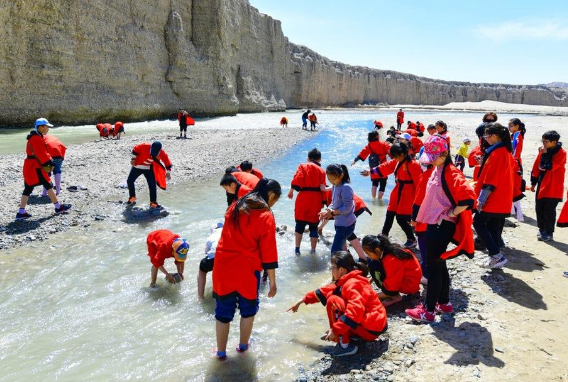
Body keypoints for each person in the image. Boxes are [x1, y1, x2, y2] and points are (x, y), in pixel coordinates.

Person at [405, 135, 476, 323]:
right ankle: (444, 303)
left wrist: (452, 212)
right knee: (439, 264)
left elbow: (468, 199)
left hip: (440, 226)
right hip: (434, 225)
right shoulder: (439, 168)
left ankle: (428, 312)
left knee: (433, 267)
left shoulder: (451, 172)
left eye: (434, 156)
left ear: (444, 153)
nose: (431, 160)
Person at [213, 179, 281, 360]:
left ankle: (220, 353)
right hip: (247, 269)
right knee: (248, 310)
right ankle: (243, 347)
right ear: (271, 195)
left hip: (223, 266)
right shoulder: (266, 216)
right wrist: (273, 281)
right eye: (275, 200)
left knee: (222, 312)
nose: (273, 204)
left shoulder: (234, 207)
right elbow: (268, 250)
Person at [287, 252, 387, 357]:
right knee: (332, 295)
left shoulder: (352, 284)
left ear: (341, 269)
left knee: (332, 301)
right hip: (375, 324)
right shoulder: (348, 280)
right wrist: (302, 301)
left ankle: (344, 346)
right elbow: (325, 291)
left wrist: (335, 330)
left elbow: (355, 311)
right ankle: (351, 335)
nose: (331, 270)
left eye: (333, 267)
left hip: (371, 329)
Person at [361, 143, 422, 248]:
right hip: (398, 190)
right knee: (390, 213)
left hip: (408, 194)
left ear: (403, 154)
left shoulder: (413, 165)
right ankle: (384, 235)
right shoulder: (397, 162)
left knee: (401, 217)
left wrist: (418, 202)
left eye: (396, 156)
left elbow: (419, 185)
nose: (394, 158)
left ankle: (412, 238)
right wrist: (370, 172)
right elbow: (385, 167)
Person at [473, 123, 515, 269]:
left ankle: (497, 255)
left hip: (494, 198)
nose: (485, 139)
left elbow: (491, 180)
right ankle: (495, 256)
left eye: (487, 136)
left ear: (495, 136)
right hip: (501, 197)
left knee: (478, 222)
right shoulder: (504, 151)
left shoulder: (498, 153)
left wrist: (481, 199)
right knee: (492, 226)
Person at [16, 118, 72, 220]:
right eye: (47, 127)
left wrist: (48, 160)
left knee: (29, 188)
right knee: (48, 185)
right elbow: (41, 153)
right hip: (35, 167)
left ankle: (21, 212)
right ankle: (58, 207)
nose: (48, 129)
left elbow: (39, 153)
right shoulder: (36, 138)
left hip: (31, 166)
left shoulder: (34, 137)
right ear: (41, 127)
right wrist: (50, 162)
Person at [362, 235, 422, 307]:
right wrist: (368, 282)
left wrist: (369, 296)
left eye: (368, 253)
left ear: (377, 250)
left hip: (409, 284)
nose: (368, 256)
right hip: (407, 277)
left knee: (374, 264)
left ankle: (394, 296)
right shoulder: (387, 249)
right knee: (372, 262)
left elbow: (391, 287)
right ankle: (393, 294)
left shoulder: (391, 259)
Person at [288, 148, 327, 255]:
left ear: (308, 158)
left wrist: (291, 191)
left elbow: (297, 180)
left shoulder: (302, 166)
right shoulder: (322, 171)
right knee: (314, 226)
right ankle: (313, 251)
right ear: (319, 159)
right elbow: (323, 188)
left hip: (303, 198)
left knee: (299, 225)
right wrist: (324, 202)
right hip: (316, 199)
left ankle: (297, 249)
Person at [530, 130, 566, 241]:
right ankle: (541, 229)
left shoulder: (561, 153)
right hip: (542, 183)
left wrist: (544, 154)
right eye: (543, 141)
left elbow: (549, 166)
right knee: (539, 208)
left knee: (549, 210)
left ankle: (549, 232)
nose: (544, 143)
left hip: (553, 185)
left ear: (554, 142)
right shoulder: (542, 150)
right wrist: (533, 182)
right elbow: (537, 166)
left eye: (546, 141)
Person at [320, 190, 371, 260]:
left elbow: (330, 214)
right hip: (358, 204)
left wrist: (320, 227)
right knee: (343, 230)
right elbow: (330, 215)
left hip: (355, 206)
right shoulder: (332, 190)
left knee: (345, 231)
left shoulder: (326, 194)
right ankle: (346, 253)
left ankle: (362, 257)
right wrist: (320, 227)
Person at [319, 164, 356, 253]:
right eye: (329, 179)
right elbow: (334, 202)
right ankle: (346, 262)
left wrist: (332, 213)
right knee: (341, 249)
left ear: (341, 175)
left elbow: (348, 207)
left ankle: (338, 266)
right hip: (339, 223)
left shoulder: (346, 188)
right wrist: (327, 210)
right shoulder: (335, 186)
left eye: (334, 179)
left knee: (335, 252)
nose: (332, 182)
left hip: (346, 225)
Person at [126, 141, 172, 209]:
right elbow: (135, 149)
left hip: (149, 168)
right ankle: (132, 197)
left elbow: (167, 161)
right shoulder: (143, 146)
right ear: (151, 147)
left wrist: (168, 173)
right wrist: (133, 159)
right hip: (137, 166)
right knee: (129, 181)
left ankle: (153, 202)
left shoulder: (161, 152)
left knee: (152, 185)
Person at [352, 131, 390, 199]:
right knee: (383, 184)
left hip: (373, 167)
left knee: (374, 184)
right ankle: (379, 200)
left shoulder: (369, 145)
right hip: (382, 166)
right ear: (377, 136)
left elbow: (362, 153)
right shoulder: (383, 144)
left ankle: (373, 199)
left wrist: (355, 160)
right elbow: (391, 152)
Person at [197, 222, 224, 299]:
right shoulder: (228, 232)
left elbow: (206, 252)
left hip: (215, 258)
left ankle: (200, 296)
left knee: (202, 269)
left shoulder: (211, 236)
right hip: (229, 258)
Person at [509, 118, 526, 219]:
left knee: (515, 184)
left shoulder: (518, 135)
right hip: (513, 161)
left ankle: (515, 208)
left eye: (511, 126)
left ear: (517, 126)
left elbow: (516, 150)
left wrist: (513, 159)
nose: (509, 128)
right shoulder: (514, 135)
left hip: (515, 162)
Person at [42, 132, 66, 196]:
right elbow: (62, 146)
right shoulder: (52, 137)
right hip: (59, 152)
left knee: (47, 173)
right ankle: (58, 191)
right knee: (57, 171)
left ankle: (44, 192)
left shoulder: (40, 138)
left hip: (49, 154)